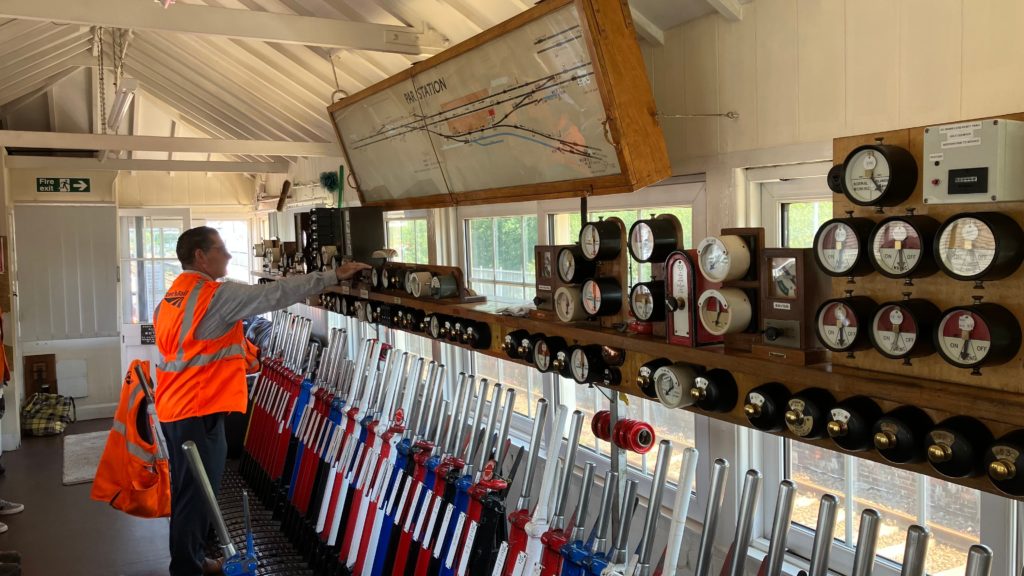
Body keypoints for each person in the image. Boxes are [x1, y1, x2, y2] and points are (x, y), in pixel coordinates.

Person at [153, 226, 369, 576]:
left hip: (176, 406)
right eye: (220, 249)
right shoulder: (213, 296)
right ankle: (187, 569)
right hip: (197, 409)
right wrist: (331, 276)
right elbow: (276, 294)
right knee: (197, 496)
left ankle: (193, 558)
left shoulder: (176, 295)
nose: (227, 255)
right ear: (200, 256)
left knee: (188, 491)